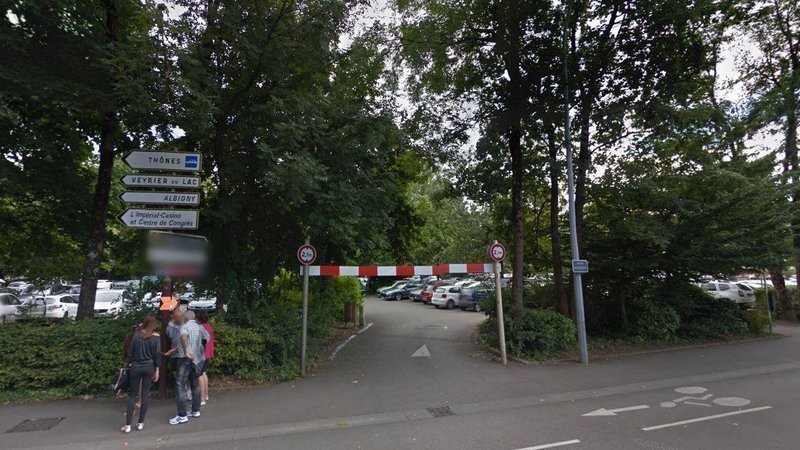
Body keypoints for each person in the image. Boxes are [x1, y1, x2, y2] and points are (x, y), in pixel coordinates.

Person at [121, 314, 161, 433]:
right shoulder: (156, 338)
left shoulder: (136, 336)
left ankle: (128, 425)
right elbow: (157, 355)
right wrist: (157, 369)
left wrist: (128, 363)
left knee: (132, 396)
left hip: (136, 366)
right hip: (149, 367)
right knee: (145, 394)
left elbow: (130, 352)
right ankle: (140, 423)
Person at [167, 309, 205, 425]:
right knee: (195, 384)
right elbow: (205, 340)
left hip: (184, 359)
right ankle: (195, 410)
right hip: (197, 359)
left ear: (186, 317)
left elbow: (183, 337)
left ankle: (182, 415)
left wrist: (185, 350)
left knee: (180, 385)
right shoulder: (199, 327)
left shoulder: (184, 327)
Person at [195, 311, 215, 405]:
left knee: (200, 375)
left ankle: (202, 397)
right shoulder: (209, 326)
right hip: (208, 352)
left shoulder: (200, 328)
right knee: (204, 373)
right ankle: (206, 394)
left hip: (202, 353)